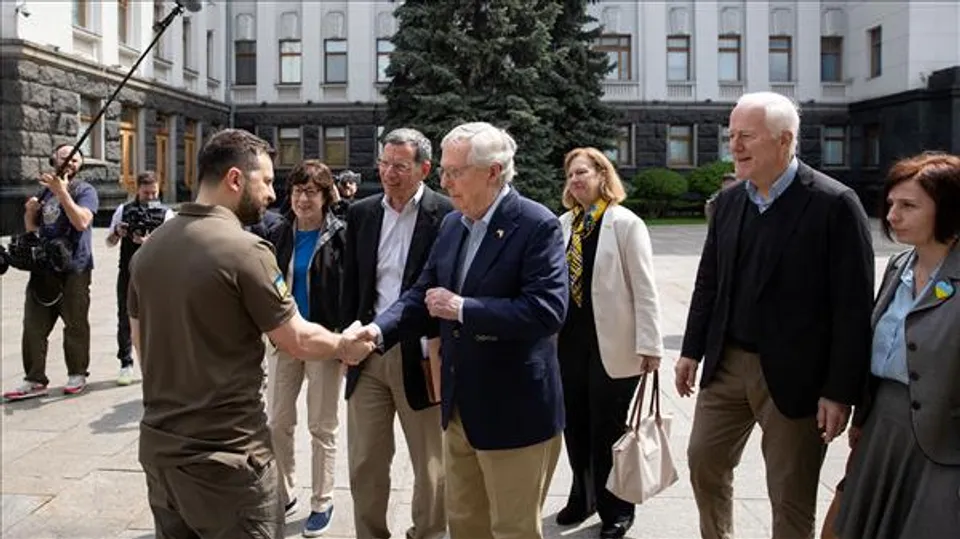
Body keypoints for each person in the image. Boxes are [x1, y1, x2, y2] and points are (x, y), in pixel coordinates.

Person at [126, 128, 375, 539]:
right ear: (235, 179)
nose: (273, 195)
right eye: (267, 181)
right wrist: (344, 345)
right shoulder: (246, 251)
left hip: (160, 453)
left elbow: (142, 348)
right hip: (228, 461)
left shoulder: (149, 250)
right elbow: (295, 338)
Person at [354, 121, 569, 539]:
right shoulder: (454, 224)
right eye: (444, 171)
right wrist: (376, 333)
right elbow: (421, 294)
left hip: (513, 412)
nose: (445, 181)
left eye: (455, 171)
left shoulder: (536, 224)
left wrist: (464, 309)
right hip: (458, 408)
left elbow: (547, 311)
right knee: (465, 524)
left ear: (493, 172)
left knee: (513, 530)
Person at [676, 92, 875, 539]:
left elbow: (853, 308)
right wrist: (691, 350)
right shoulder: (728, 202)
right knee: (703, 460)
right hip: (726, 364)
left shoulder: (834, 204)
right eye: (731, 136)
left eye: (746, 136)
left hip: (797, 376)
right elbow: (709, 283)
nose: (734, 146)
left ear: (785, 140)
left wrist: (839, 392)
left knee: (790, 495)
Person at [833, 152, 960, 539]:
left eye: (908, 206)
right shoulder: (898, 266)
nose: (892, 216)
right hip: (882, 427)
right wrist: (861, 417)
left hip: (941, 442)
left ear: (948, 210)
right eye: (890, 204)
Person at [340, 128, 453, 539]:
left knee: (431, 464)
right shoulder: (363, 213)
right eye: (384, 164)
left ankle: (428, 534)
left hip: (421, 354)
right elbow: (351, 283)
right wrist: (345, 342)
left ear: (424, 168)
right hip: (368, 353)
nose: (389, 173)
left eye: (400, 166)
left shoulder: (446, 214)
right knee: (365, 461)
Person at [556, 147, 664, 539]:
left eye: (582, 172)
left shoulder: (625, 223)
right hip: (568, 344)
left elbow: (644, 287)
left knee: (608, 429)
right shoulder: (564, 224)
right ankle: (582, 495)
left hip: (614, 344)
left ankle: (617, 507)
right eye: (570, 175)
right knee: (575, 425)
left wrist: (650, 345)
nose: (575, 180)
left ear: (603, 175)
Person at [263, 160, 347, 537]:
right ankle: (284, 493)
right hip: (284, 340)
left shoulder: (340, 234)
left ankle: (322, 500)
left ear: (326, 196)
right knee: (278, 422)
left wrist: (344, 338)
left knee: (321, 426)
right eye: (297, 191)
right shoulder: (279, 232)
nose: (302, 199)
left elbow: (350, 287)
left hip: (324, 340)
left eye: (311, 192)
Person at [4, 144, 99, 401]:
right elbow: (33, 230)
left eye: (75, 159)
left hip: (74, 268)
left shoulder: (84, 190)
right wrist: (30, 213)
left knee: (75, 324)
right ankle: (34, 379)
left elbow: (81, 221)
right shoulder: (44, 192)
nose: (70, 162)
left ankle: (77, 374)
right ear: (53, 160)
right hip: (43, 268)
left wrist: (62, 193)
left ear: (80, 166)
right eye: (64, 157)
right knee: (33, 325)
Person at [105, 171, 174, 386]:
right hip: (128, 273)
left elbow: (173, 247)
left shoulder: (166, 214)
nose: (151, 197)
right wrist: (118, 233)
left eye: (154, 193)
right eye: (146, 193)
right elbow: (109, 242)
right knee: (125, 317)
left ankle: (158, 362)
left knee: (158, 319)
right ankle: (126, 363)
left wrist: (150, 242)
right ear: (137, 190)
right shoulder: (123, 210)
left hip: (156, 275)